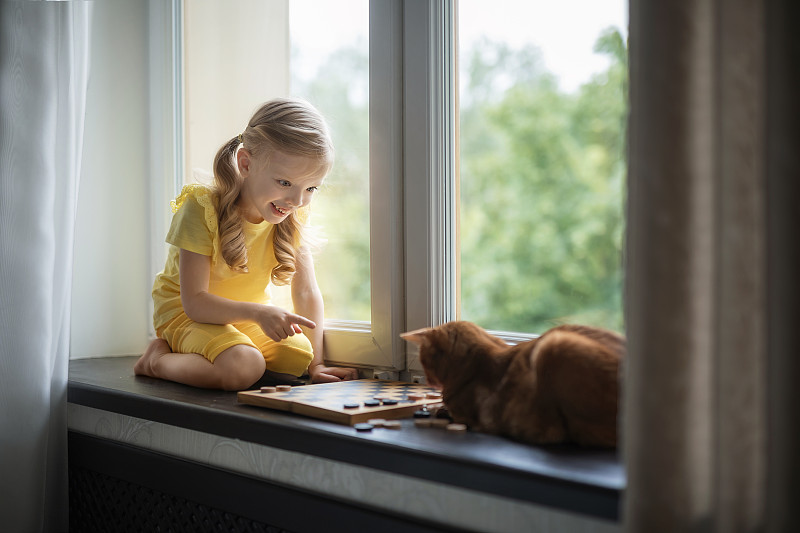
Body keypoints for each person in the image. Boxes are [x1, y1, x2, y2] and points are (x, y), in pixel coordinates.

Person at [135, 98, 359, 390]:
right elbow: (195, 303)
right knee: (244, 365)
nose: (297, 200)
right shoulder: (201, 207)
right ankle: (156, 361)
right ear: (246, 163)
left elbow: (306, 291)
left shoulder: (291, 214)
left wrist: (317, 365)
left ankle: (232, 351)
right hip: (184, 313)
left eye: (311, 188)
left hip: (241, 316)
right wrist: (258, 313)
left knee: (297, 356)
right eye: (284, 183)